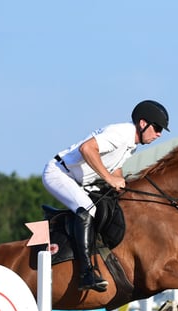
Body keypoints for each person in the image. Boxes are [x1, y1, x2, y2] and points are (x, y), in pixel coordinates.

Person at [42, 100, 170, 292]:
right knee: (87, 210)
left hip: (78, 180)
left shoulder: (131, 145)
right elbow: (87, 148)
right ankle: (86, 273)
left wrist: (120, 183)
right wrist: (109, 178)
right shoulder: (122, 134)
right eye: (157, 128)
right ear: (143, 124)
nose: (159, 134)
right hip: (59, 173)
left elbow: (114, 165)